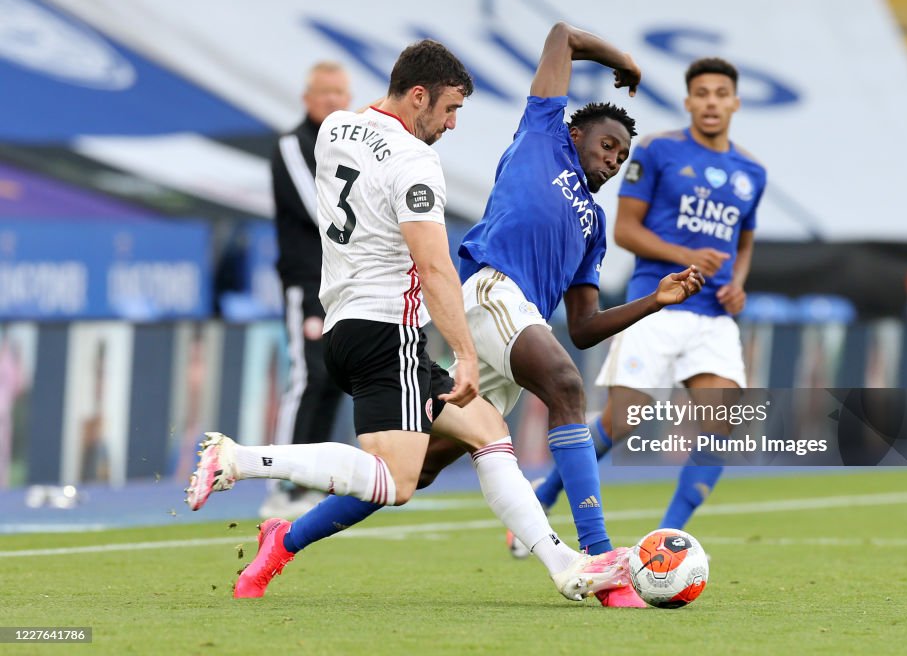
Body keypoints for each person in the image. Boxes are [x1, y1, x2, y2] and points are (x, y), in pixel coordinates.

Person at [187, 39, 633, 604]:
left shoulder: (336, 130)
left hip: (346, 320)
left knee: (485, 437)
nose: (450, 125)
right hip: (386, 328)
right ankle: (241, 460)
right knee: (393, 480)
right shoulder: (416, 163)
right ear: (418, 95)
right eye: (448, 109)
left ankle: (565, 565)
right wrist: (466, 353)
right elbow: (434, 263)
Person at [415, 22, 706, 608]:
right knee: (568, 386)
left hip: (520, 325)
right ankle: (601, 558)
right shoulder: (542, 135)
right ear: (575, 131)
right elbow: (559, 36)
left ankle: (284, 534)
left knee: (414, 469)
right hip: (492, 291)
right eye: (606, 146)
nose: (612, 160)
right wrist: (621, 57)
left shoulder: (594, 228)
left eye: (621, 157)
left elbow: (584, 327)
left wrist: (655, 299)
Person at [526, 56, 766, 541]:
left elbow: (743, 241)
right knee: (622, 421)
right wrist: (687, 255)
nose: (712, 102)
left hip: (714, 316)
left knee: (720, 426)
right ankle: (545, 495)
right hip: (658, 305)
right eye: (702, 93)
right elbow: (625, 229)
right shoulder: (657, 151)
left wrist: (738, 280)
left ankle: (666, 542)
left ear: (735, 102)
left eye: (721, 93)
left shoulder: (752, 172)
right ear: (688, 101)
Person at [262, 61, 352, 519]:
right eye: (326, 93)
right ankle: (281, 482)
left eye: (341, 93)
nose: (335, 101)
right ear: (307, 97)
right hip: (307, 280)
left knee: (332, 378)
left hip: (341, 282)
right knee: (305, 377)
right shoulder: (292, 144)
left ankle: (309, 480)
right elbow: (321, 210)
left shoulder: (350, 148)